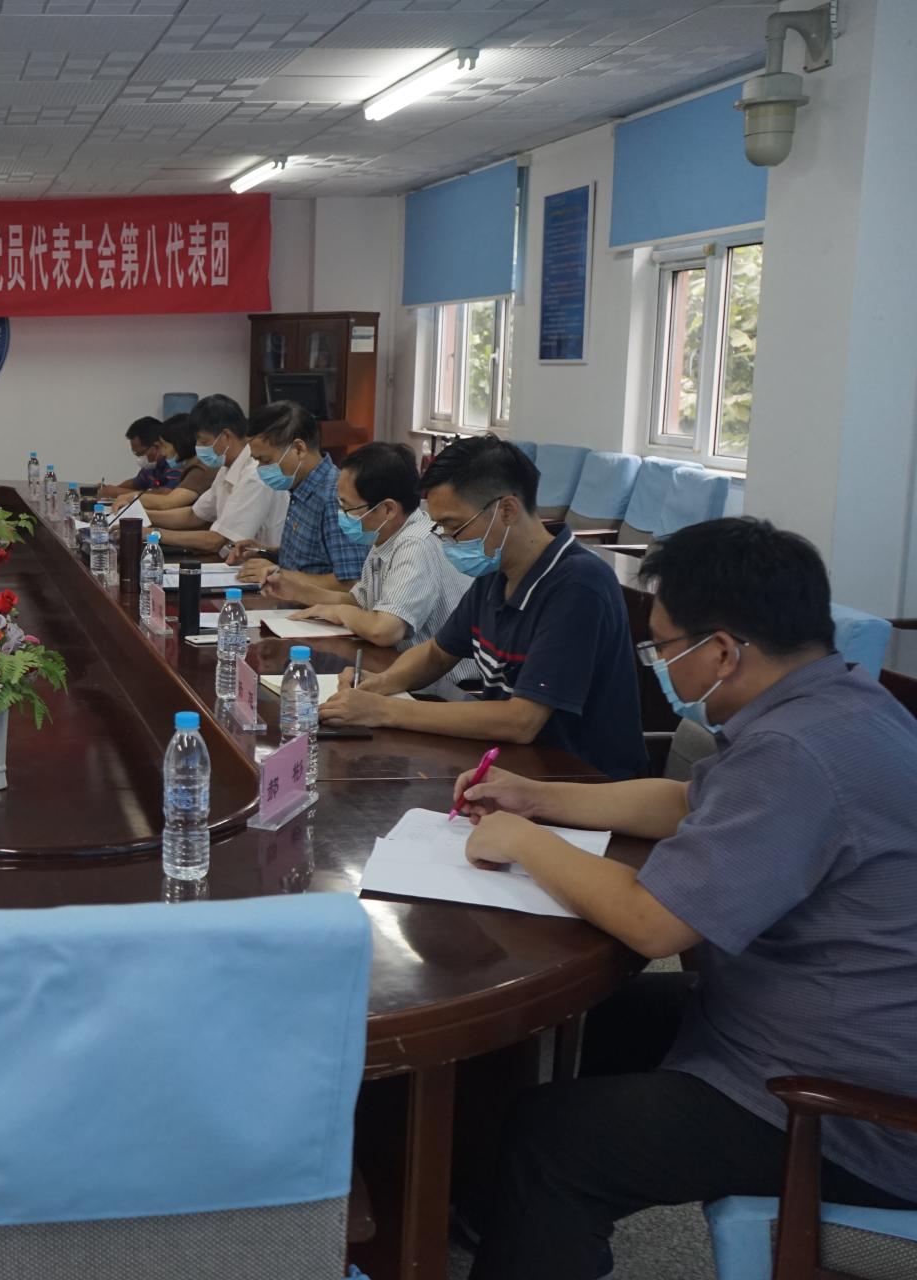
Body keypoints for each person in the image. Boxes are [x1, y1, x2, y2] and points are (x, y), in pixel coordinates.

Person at [452, 517, 917, 1280]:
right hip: (808, 1021)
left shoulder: (795, 751)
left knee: (557, 1140)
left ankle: (532, 1207)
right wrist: (536, 798)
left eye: (665, 647)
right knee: (601, 1019)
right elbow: (690, 801)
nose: (661, 663)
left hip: (849, 1107)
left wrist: (523, 840)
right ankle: (513, 1219)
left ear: (724, 650)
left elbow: (654, 922)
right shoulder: (838, 704)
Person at [319, 435, 646, 779]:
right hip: (512, 769)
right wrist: (378, 684)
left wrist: (385, 711)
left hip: (581, 782)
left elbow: (522, 720)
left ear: (507, 510)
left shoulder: (578, 586)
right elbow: (437, 654)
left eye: (453, 526)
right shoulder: (496, 572)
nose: (446, 540)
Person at [261, 443, 470, 662]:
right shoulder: (386, 535)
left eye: (347, 507)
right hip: (398, 664)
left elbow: (385, 630)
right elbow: (359, 601)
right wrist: (297, 591)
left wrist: (340, 613)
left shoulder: (416, 544)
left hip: (439, 680)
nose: (341, 514)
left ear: (388, 509)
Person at [229, 401, 365, 590]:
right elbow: (311, 561)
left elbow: (351, 583)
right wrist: (264, 552)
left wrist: (278, 575)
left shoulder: (335, 498)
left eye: (265, 460)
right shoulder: (300, 487)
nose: (260, 469)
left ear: (299, 449)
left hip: (314, 607)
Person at [145, 394, 287, 555]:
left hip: (259, 564)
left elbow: (216, 541)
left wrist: (153, 534)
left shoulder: (255, 474)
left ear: (226, 436)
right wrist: (142, 517)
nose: (198, 447)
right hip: (234, 562)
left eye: (204, 442)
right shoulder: (226, 468)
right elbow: (194, 515)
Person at [139, 412, 214, 512]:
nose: (163, 453)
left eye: (165, 446)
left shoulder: (201, 469)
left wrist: (131, 498)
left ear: (180, 444)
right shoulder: (191, 468)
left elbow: (167, 503)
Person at [96, 416, 181, 499]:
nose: (140, 458)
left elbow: (166, 494)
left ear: (157, 446)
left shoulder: (174, 463)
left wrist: (119, 492)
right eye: (136, 454)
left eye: (141, 453)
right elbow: (135, 483)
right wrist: (111, 489)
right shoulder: (151, 466)